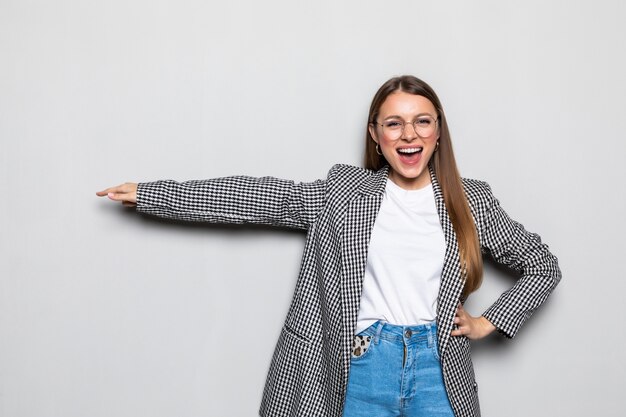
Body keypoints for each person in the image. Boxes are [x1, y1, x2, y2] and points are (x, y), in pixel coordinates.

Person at [97, 75, 561, 417]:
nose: (409, 135)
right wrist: (151, 194)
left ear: (438, 132)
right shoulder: (342, 193)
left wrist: (488, 322)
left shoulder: (470, 200)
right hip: (360, 367)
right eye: (394, 124)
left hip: (438, 370)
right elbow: (258, 197)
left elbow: (542, 265)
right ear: (376, 137)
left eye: (422, 122)